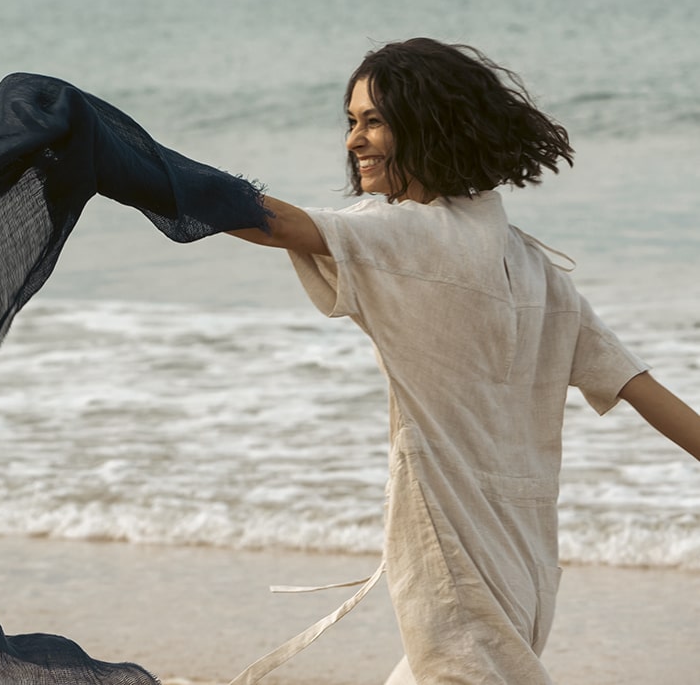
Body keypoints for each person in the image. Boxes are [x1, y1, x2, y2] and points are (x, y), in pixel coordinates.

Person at [222, 37, 700, 684]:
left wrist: (117, 157)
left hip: (455, 562)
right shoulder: (536, 270)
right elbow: (645, 391)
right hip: (527, 567)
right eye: (350, 121)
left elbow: (273, 222)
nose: (352, 141)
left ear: (426, 125)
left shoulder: (414, 236)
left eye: (373, 120)